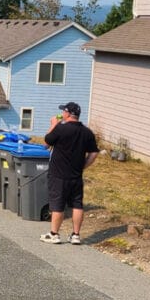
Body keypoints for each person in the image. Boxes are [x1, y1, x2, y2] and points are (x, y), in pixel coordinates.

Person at [41, 102, 99, 245]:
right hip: (76, 175)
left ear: (67, 113)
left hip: (59, 174)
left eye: (64, 112)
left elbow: (46, 142)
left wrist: (54, 124)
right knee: (77, 204)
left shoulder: (61, 128)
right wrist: (84, 166)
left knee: (57, 205)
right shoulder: (87, 132)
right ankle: (76, 235)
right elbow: (94, 153)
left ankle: (54, 234)